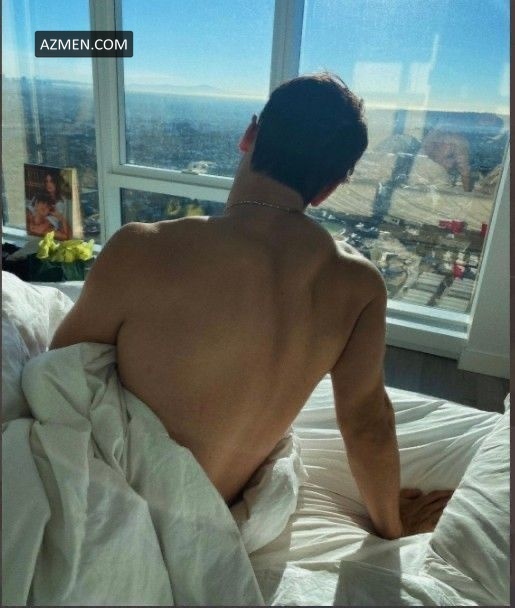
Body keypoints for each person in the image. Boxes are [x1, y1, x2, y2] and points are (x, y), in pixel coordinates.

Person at [50, 73, 452, 540]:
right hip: (217, 521)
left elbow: (59, 378)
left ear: (250, 134)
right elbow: (367, 424)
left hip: (114, 505)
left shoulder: (141, 249)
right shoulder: (360, 286)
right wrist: (393, 527)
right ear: (327, 189)